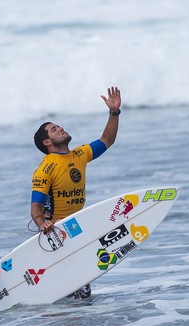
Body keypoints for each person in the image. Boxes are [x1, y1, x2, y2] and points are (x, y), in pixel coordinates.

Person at [31, 86, 121, 299]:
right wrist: (41, 223)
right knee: (71, 291)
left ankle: (72, 325)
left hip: (76, 230)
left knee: (82, 293)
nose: (61, 129)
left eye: (59, 126)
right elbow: (36, 205)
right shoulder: (45, 169)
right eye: (54, 129)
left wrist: (114, 112)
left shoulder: (79, 155)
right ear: (47, 142)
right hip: (55, 234)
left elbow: (107, 140)